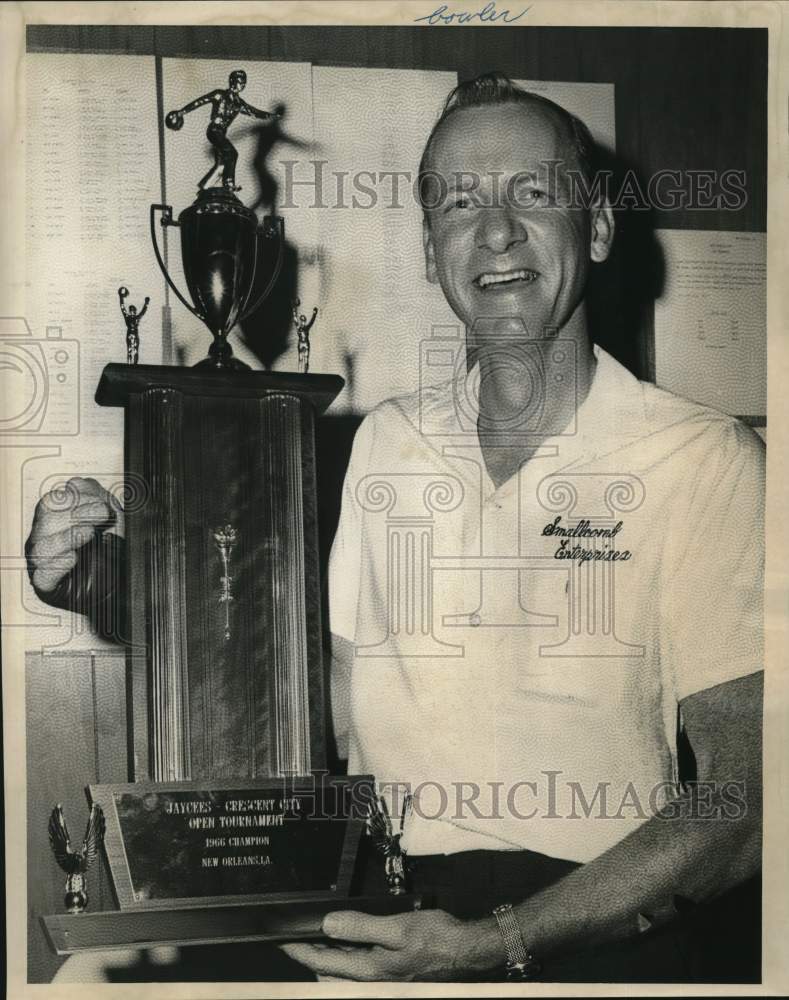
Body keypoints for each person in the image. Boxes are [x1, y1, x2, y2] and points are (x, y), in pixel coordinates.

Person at [27, 73, 764, 983]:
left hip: (595, 922)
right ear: (429, 252)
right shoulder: (390, 441)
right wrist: (111, 585)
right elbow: (314, 701)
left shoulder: (703, 457)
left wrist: (504, 940)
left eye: (531, 193)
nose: (494, 231)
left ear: (601, 228)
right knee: (82, 982)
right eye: (459, 203)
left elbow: (746, 803)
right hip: (385, 905)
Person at [165, 69, 280, 192]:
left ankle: (204, 188)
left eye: (244, 83)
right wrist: (182, 112)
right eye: (240, 82)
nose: (242, 85)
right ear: (232, 81)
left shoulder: (239, 103)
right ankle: (228, 183)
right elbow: (200, 101)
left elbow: (254, 112)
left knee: (221, 166)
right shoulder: (219, 94)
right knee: (231, 153)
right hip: (214, 131)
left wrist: (270, 116)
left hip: (221, 134)